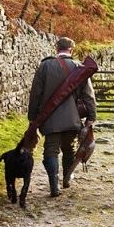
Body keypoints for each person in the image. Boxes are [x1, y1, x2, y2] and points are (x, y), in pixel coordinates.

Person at [28, 37, 97, 197]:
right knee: (69, 148)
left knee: (51, 150)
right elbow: (88, 95)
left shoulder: (45, 66)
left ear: (56, 48)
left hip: (50, 118)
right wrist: (91, 117)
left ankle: (54, 186)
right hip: (73, 119)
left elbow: (35, 94)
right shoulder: (79, 67)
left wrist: (33, 118)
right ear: (71, 50)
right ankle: (67, 178)